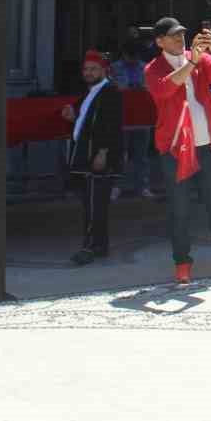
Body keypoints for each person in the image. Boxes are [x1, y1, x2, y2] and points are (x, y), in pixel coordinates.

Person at [144, 17, 211, 284]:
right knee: (179, 208)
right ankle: (182, 262)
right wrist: (192, 62)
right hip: (175, 148)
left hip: (205, 145)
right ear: (159, 41)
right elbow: (166, 88)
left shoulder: (197, 56)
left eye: (182, 35)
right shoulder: (153, 68)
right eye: (173, 36)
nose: (180, 40)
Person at [61, 50, 123, 265]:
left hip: (97, 156)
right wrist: (72, 112)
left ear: (103, 70)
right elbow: (85, 116)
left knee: (95, 204)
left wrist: (103, 152)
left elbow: (111, 125)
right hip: (86, 154)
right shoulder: (91, 92)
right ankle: (100, 245)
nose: (88, 72)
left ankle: (90, 247)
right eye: (86, 69)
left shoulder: (110, 92)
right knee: (92, 203)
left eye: (93, 69)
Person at [110, 40, 155, 199]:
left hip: (142, 116)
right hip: (122, 116)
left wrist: (146, 88)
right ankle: (116, 186)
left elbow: (152, 88)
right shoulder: (115, 68)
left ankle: (142, 186)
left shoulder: (145, 67)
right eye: (131, 57)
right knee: (119, 153)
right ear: (124, 55)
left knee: (142, 155)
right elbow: (110, 88)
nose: (134, 60)